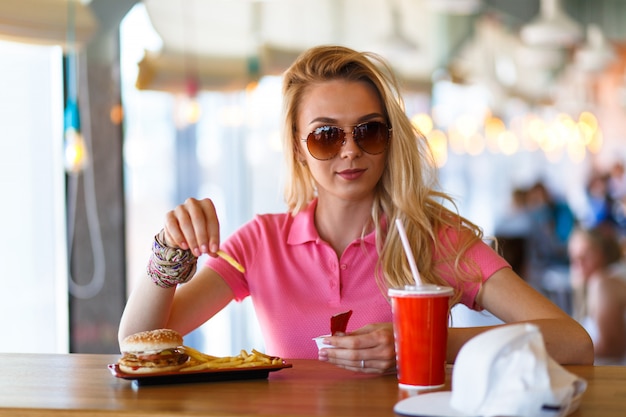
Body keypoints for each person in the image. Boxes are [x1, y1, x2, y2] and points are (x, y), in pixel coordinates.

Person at [118, 45, 593, 373]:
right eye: (326, 135)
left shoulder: (434, 240)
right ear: (299, 148)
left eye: (367, 131)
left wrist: (421, 345)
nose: (350, 151)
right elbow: (138, 343)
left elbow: (573, 343)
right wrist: (168, 250)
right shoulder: (261, 242)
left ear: (388, 140)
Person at [568, 224, 626, 364]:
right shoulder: (607, 279)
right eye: (574, 258)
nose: (579, 264)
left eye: (586, 254)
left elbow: (613, 348)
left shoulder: (602, 282)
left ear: (604, 254)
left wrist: (564, 351)